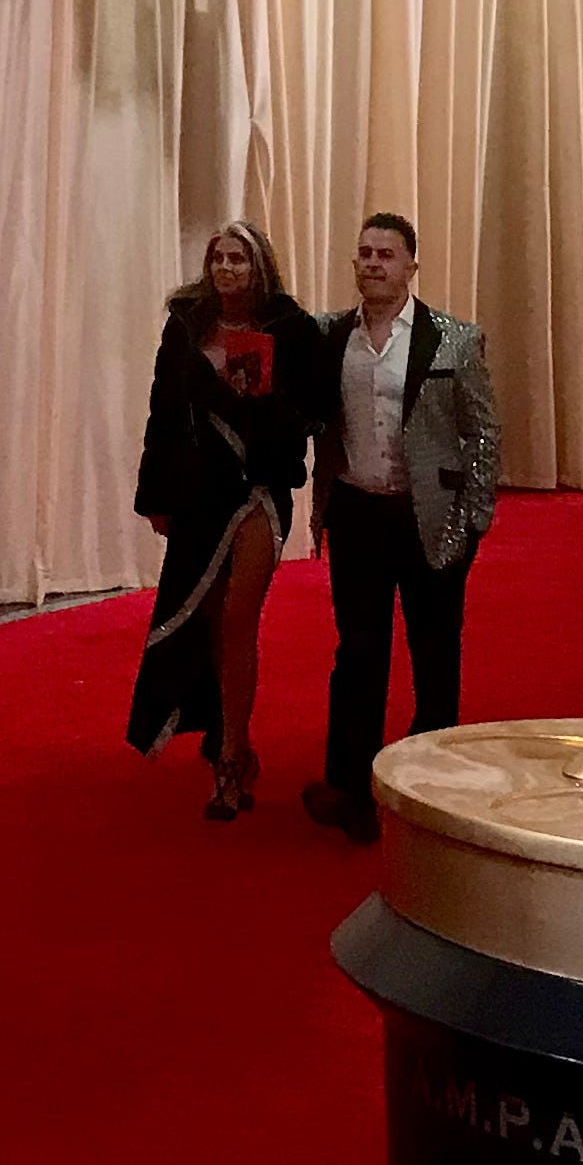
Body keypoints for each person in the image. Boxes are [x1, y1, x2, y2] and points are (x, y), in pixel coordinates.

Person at [299, 213, 501, 843]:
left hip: (430, 517)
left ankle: (433, 789)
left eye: (386, 254)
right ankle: (349, 787)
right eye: (363, 253)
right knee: (358, 653)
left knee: (435, 651)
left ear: (412, 265)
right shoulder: (330, 337)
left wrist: (474, 518)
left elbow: (483, 433)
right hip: (358, 513)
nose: (372, 264)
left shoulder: (454, 341)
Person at [124, 221, 327, 817]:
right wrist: (154, 496)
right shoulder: (186, 324)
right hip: (198, 491)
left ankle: (234, 754)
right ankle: (227, 741)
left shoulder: (290, 328)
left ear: (259, 265)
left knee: (240, 617)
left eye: (239, 258)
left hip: (260, 487)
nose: (227, 269)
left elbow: (313, 412)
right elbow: (162, 411)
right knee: (211, 622)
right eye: (219, 258)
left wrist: (262, 399)